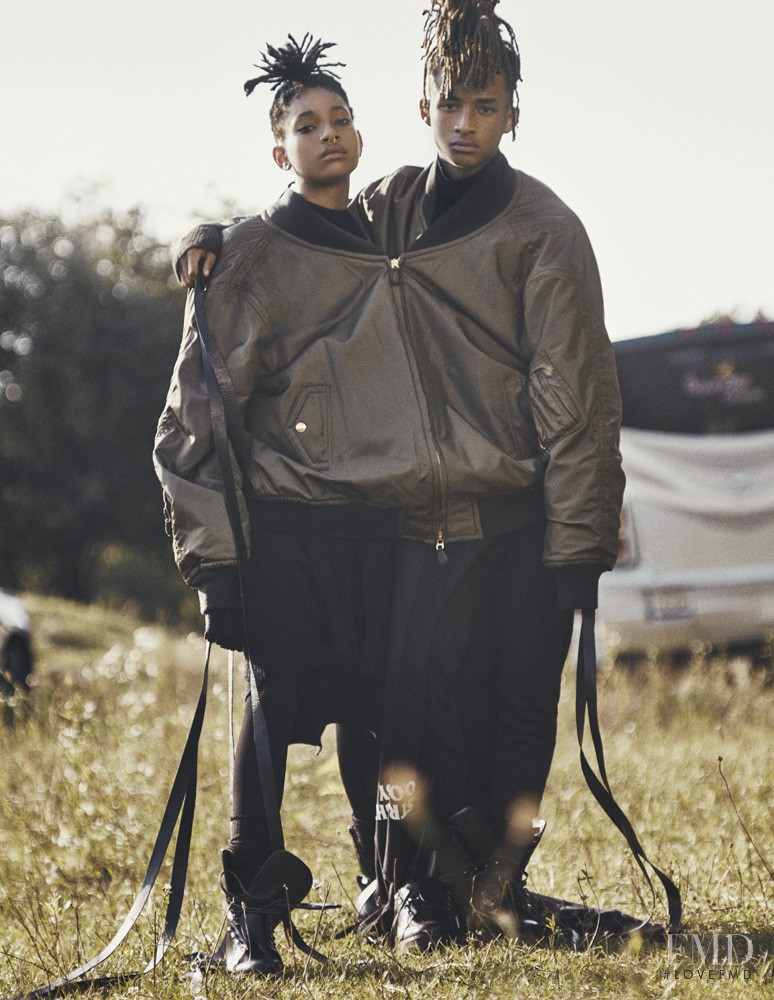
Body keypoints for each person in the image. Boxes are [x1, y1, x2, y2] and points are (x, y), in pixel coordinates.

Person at [171, 0, 628, 955]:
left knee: (509, 729)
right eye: (448, 102)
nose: (465, 123)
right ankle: (400, 890)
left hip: (518, 519)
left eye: (485, 105)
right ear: (421, 106)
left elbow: (578, 395)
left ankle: (490, 893)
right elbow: (299, 228)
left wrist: (579, 540)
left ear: (512, 112)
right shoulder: (392, 210)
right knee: (403, 728)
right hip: (403, 528)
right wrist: (215, 233)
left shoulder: (544, 226)